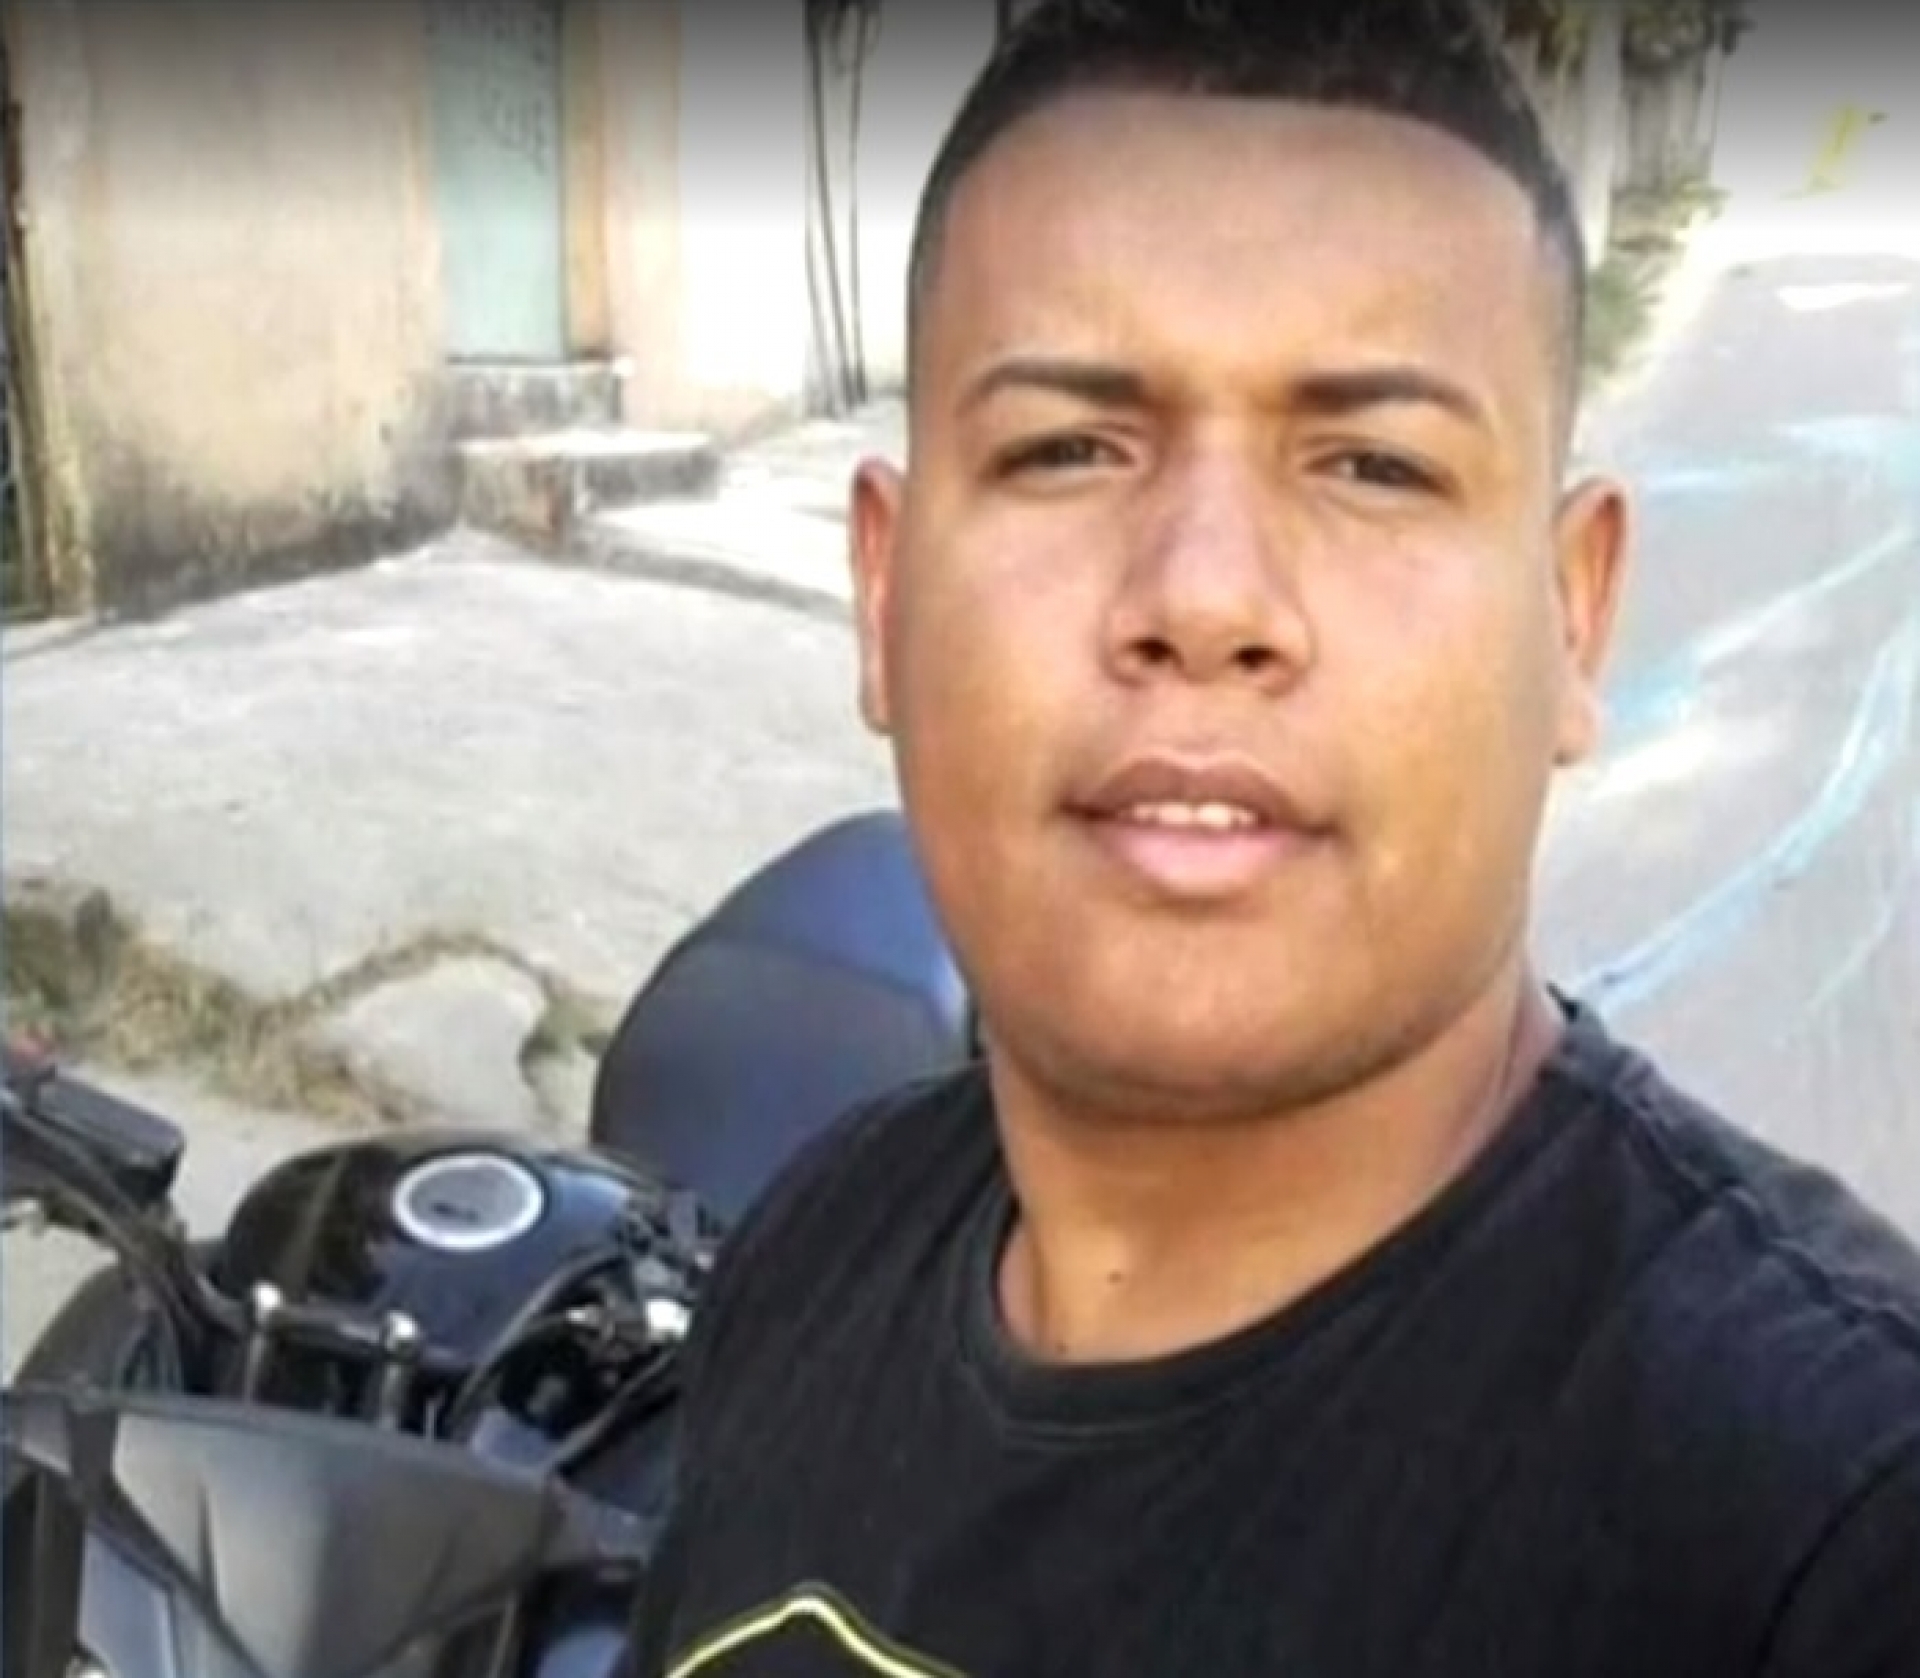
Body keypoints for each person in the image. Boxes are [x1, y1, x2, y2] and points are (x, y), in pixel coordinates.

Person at [623, 1, 1920, 1672]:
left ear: (1574, 615)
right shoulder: (812, 1251)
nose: (1207, 595)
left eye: (1373, 465)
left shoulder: (1824, 1525)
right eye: (1068, 449)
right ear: (883, 594)